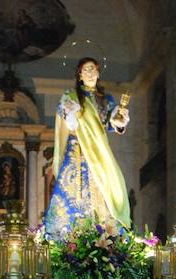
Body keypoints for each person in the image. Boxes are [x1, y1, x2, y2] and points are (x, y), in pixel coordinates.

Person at [43, 57, 131, 238]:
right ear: (80, 75)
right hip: (77, 150)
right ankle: (67, 236)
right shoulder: (71, 96)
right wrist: (71, 113)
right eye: (86, 70)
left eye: (93, 69)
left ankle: (105, 235)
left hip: (99, 152)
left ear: (98, 73)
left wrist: (119, 119)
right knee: (74, 189)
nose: (90, 73)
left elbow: (112, 123)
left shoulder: (106, 99)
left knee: (107, 189)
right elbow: (69, 123)